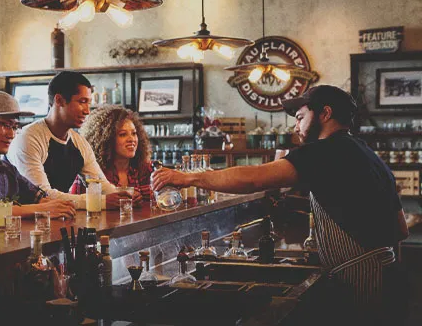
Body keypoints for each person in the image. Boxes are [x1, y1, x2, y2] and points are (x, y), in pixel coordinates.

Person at [152, 85, 409, 325]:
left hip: (361, 279)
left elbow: (251, 179)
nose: (295, 127)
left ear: (325, 113)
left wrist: (188, 177)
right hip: (388, 272)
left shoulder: (323, 152)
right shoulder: (364, 152)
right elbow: (401, 229)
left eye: (299, 117)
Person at [7, 71, 136, 209]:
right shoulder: (29, 138)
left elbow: (102, 186)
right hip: (21, 223)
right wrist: (99, 202)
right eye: (82, 102)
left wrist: (125, 196)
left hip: (58, 217)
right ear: (59, 100)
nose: (87, 111)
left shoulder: (79, 143)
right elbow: (43, 196)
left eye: (89, 103)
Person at [0, 91, 76, 219]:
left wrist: (53, 205)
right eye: (6, 125)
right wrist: (38, 209)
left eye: (14, 127)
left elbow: (40, 198)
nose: (11, 134)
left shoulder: (8, 170)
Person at [69, 104, 152, 202]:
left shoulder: (145, 169)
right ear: (106, 139)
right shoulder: (91, 172)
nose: (131, 139)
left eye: (134, 133)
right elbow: (75, 207)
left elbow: (162, 195)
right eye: (123, 134)